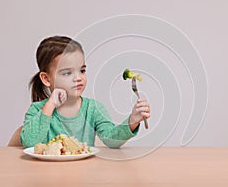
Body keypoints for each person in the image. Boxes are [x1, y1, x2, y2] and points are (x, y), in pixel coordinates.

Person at [20, 36, 150, 148]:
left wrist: (132, 121)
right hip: (47, 173)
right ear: (46, 79)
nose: (78, 78)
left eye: (82, 70)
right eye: (67, 73)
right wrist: (50, 105)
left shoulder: (93, 109)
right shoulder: (37, 110)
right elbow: (29, 142)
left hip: (85, 173)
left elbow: (111, 140)